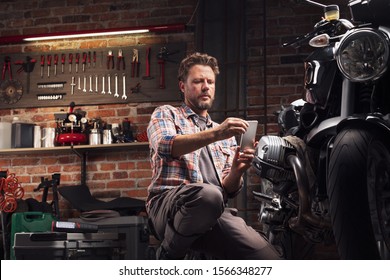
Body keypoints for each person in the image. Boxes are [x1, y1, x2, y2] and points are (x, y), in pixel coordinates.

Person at [146, 52, 280, 260]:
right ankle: (168, 256)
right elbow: (166, 146)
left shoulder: (223, 133)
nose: (206, 86)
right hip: (169, 205)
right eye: (198, 81)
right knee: (209, 195)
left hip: (213, 211)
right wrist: (216, 134)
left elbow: (228, 189)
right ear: (183, 86)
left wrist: (237, 170)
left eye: (210, 82)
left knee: (269, 257)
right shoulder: (166, 114)